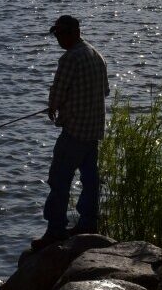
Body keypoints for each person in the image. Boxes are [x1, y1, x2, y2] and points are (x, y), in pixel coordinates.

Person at [32, 14, 110, 251]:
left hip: (75, 131)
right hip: (94, 130)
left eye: (62, 34)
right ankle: (88, 225)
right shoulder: (97, 55)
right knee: (90, 180)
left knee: (59, 180)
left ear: (75, 32)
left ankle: (55, 230)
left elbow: (57, 94)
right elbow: (105, 91)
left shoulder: (69, 59)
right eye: (56, 35)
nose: (59, 39)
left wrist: (54, 107)